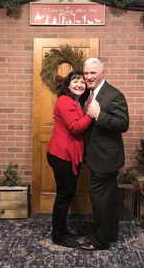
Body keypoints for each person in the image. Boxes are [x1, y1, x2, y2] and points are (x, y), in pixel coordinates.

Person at [80, 58, 129, 251]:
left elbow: (123, 124)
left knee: (99, 199)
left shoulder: (114, 94)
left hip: (106, 159)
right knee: (107, 199)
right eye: (86, 73)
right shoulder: (89, 94)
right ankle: (110, 233)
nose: (89, 77)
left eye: (93, 73)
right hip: (96, 157)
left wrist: (100, 115)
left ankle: (98, 240)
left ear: (102, 73)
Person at [46, 70, 94, 248]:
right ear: (67, 85)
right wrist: (91, 113)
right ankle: (59, 235)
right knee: (64, 196)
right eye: (75, 81)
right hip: (62, 155)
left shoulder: (75, 101)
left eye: (82, 82)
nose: (80, 84)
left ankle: (62, 230)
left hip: (65, 154)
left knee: (66, 195)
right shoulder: (65, 101)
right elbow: (75, 127)